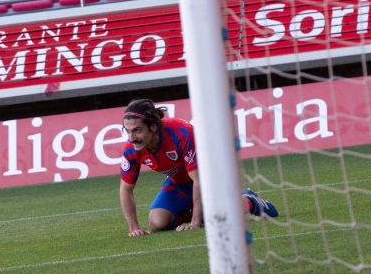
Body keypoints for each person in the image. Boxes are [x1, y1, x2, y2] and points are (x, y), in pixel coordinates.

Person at [119, 99, 278, 237]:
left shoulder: (181, 133)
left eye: (137, 131)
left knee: (220, 216)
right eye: (128, 131)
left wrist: (195, 223)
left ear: (153, 127)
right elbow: (126, 189)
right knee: (157, 222)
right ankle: (202, 214)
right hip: (179, 182)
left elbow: (199, 179)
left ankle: (250, 201)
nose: (132, 138)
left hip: (210, 178)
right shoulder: (131, 149)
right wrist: (134, 228)